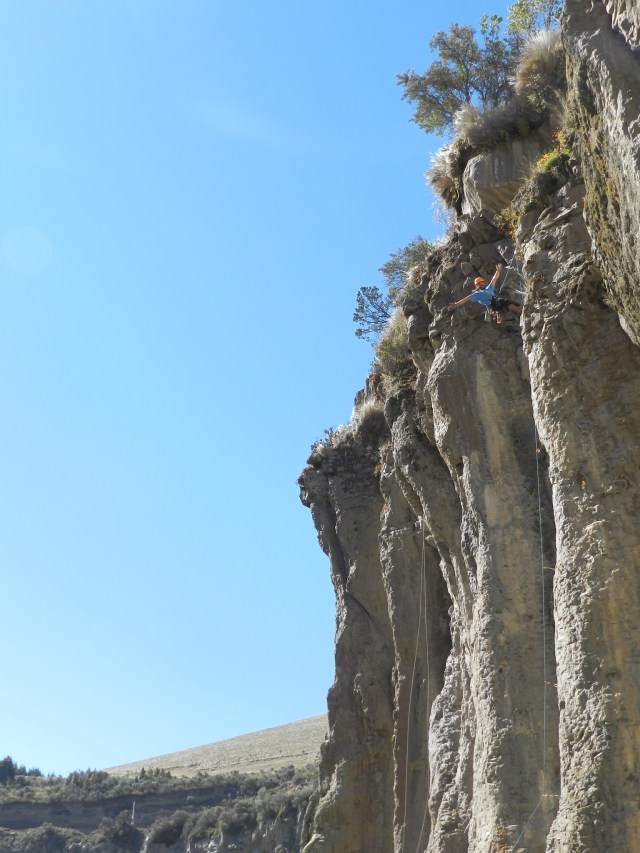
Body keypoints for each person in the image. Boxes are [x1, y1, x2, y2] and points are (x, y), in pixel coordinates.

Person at [448, 263, 522, 324]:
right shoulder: (477, 294)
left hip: (496, 301)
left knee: (510, 304)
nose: (482, 284)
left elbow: (494, 279)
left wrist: (498, 270)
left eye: (482, 282)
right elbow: (465, 299)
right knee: (500, 306)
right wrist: (456, 304)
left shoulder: (489, 288)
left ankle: (517, 311)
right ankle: (498, 315)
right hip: (490, 304)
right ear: (477, 285)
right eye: (479, 283)